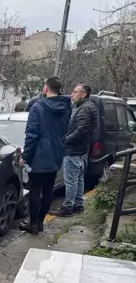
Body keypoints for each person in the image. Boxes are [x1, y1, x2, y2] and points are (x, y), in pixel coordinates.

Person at [20, 76, 72, 234]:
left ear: (45, 88)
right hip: (56, 152)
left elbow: (32, 135)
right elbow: (65, 130)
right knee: (49, 189)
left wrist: (26, 156)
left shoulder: (37, 107)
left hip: (39, 154)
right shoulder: (66, 106)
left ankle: (33, 223)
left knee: (35, 189)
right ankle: (40, 222)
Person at [51, 84, 98, 216]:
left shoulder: (84, 109)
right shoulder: (87, 106)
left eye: (75, 92)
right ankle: (77, 204)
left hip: (74, 149)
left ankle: (68, 207)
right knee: (78, 178)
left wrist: (65, 140)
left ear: (83, 94)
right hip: (81, 149)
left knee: (71, 180)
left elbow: (81, 129)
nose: (72, 94)